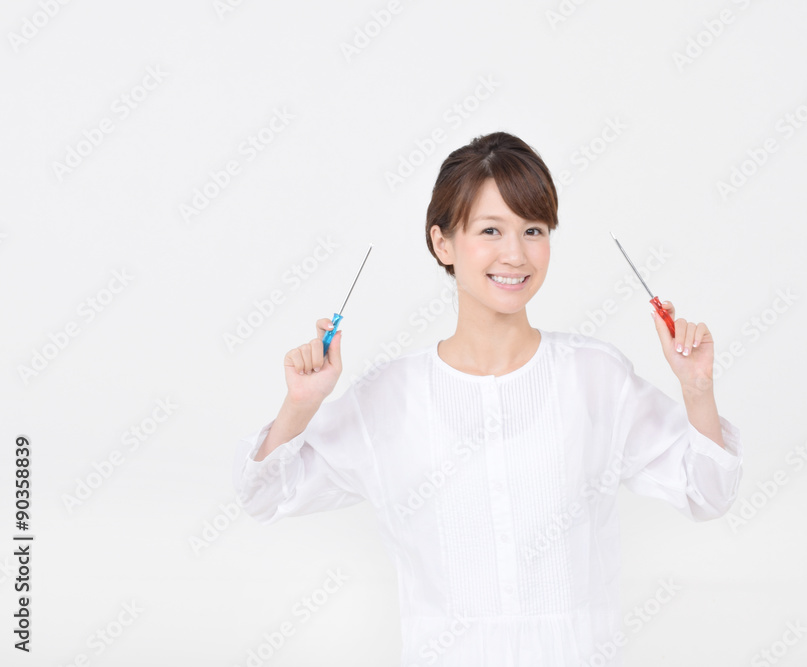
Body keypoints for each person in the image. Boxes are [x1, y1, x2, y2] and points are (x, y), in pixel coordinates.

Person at [232, 131, 744, 666]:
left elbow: (708, 494)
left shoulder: (595, 377)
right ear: (442, 244)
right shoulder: (388, 398)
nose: (516, 254)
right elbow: (263, 496)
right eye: (490, 230)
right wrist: (301, 404)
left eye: (533, 230)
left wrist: (697, 390)